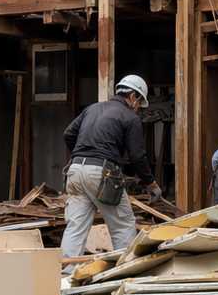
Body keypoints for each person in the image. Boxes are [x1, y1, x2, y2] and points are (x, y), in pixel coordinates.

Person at [60, 75, 161, 255]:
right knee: (123, 224)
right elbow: (137, 156)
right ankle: (126, 272)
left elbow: (68, 134)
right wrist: (150, 183)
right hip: (101, 174)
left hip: (75, 171)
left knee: (76, 226)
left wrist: (81, 154)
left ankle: (65, 275)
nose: (138, 109)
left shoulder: (92, 108)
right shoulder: (130, 117)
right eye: (139, 103)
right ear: (132, 96)